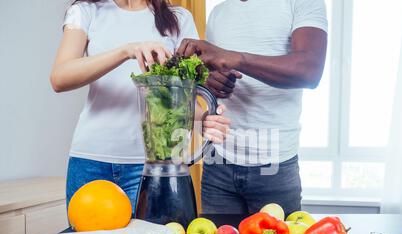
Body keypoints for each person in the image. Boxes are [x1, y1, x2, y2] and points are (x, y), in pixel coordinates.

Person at [51, 0, 230, 215]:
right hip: (91, 161)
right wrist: (126, 51)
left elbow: (182, 97)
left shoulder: (178, 18)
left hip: (152, 167)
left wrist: (204, 121)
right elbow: (60, 77)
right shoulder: (85, 12)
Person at [177, 0, 328, 215]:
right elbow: (215, 71)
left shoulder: (302, 3)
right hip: (218, 162)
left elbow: (309, 71)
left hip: (275, 165)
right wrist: (212, 79)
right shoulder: (218, 13)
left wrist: (236, 58)